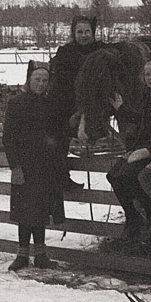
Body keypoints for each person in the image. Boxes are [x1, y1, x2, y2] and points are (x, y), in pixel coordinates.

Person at [3, 62, 65, 270]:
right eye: (37, 79)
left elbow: (60, 132)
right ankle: (22, 255)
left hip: (46, 167)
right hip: (25, 166)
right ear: (29, 80)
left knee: (40, 211)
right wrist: (15, 167)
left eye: (44, 80)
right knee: (24, 211)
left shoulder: (53, 105)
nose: (40, 84)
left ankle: (40, 255)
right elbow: (8, 137)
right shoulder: (17, 103)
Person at [106, 56, 151, 240]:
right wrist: (121, 109)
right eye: (148, 74)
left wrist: (147, 150)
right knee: (113, 176)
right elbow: (141, 120)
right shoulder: (146, 95)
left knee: (132, 176)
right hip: (143, 146)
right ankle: (133, 217)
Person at [49, 16, 103, 189]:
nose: (84, 35)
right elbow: (60, 81)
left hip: (94, 103)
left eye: (87, 31)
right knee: (58, 139)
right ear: (74, 33)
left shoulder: (100, 50)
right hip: (67, 102)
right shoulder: (65, 52)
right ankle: (62, 177)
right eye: (79, 32)